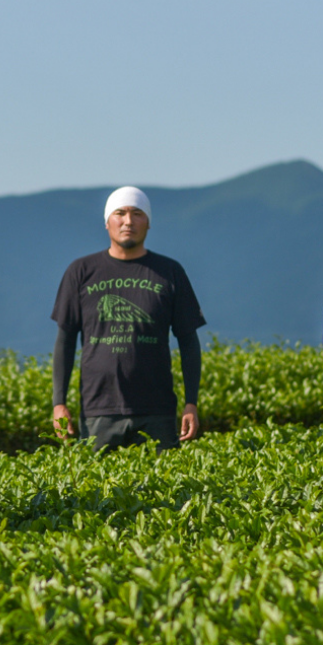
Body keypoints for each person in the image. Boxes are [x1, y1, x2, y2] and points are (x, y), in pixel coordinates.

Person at [51, 186, 206, 452]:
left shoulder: (170, 272)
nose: (128, 221)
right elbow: (65, 341)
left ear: (148, 223)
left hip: (156, 410)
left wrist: (191, 402)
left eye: (137, 214)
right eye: (120, 213)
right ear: (107, 221)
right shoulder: (81, 272)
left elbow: (189, 341)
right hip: (98, 409)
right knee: (97, 491)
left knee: (164, 489)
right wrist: (58, 402)